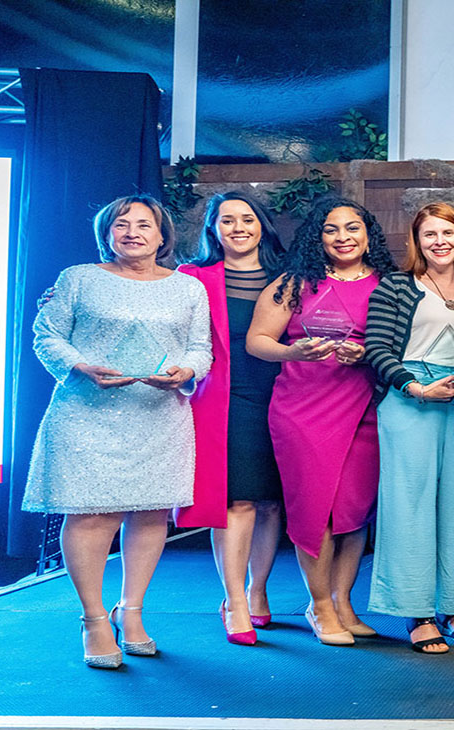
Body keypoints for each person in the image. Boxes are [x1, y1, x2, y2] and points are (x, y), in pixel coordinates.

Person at [25, 195, 212, 668]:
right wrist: (80, 365)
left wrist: (184, 371)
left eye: (144, 224)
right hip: (86, 413)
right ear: (106, 233)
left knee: (150, 515)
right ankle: (92, 619)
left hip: (159, 412)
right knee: (92, 517)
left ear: (162, 235)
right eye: (121, 224)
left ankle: (131, 612)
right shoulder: (78, 278)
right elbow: (46, 335)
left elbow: (200, 348)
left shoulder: (187, 287)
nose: (132, 231)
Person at [247, 197, 394, 646]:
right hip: (303, 408)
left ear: (368, 233)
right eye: (331, 229)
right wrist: (292, 351)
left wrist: (367, 351)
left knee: (353, 509)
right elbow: (257, 341)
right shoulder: (293, 283)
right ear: (318, 237)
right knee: (316, 509)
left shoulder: (391, 285)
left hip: (365, 404)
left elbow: (406, 344)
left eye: (353, 228)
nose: (343, 237)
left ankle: (344, 601)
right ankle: (320, 605)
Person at [364, 203, 454, 654]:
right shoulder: (396, 285)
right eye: (429, 234)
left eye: (448, 233)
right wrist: (415, 387)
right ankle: (415, 611)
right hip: (408, 402)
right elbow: (376, 347)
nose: (440, 242)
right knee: (410, 505)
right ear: (417, 241)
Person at [177, 192, 286, 646]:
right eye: (227, 220)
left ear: (262, 224)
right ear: (212, 230)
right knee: (237, 501)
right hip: (226, 399)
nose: (238, 227)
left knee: (272, 502)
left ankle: (259, 590)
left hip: (285, 398)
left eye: (247, 218)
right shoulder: (192, 277)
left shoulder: (289, 277)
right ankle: (234, 600)